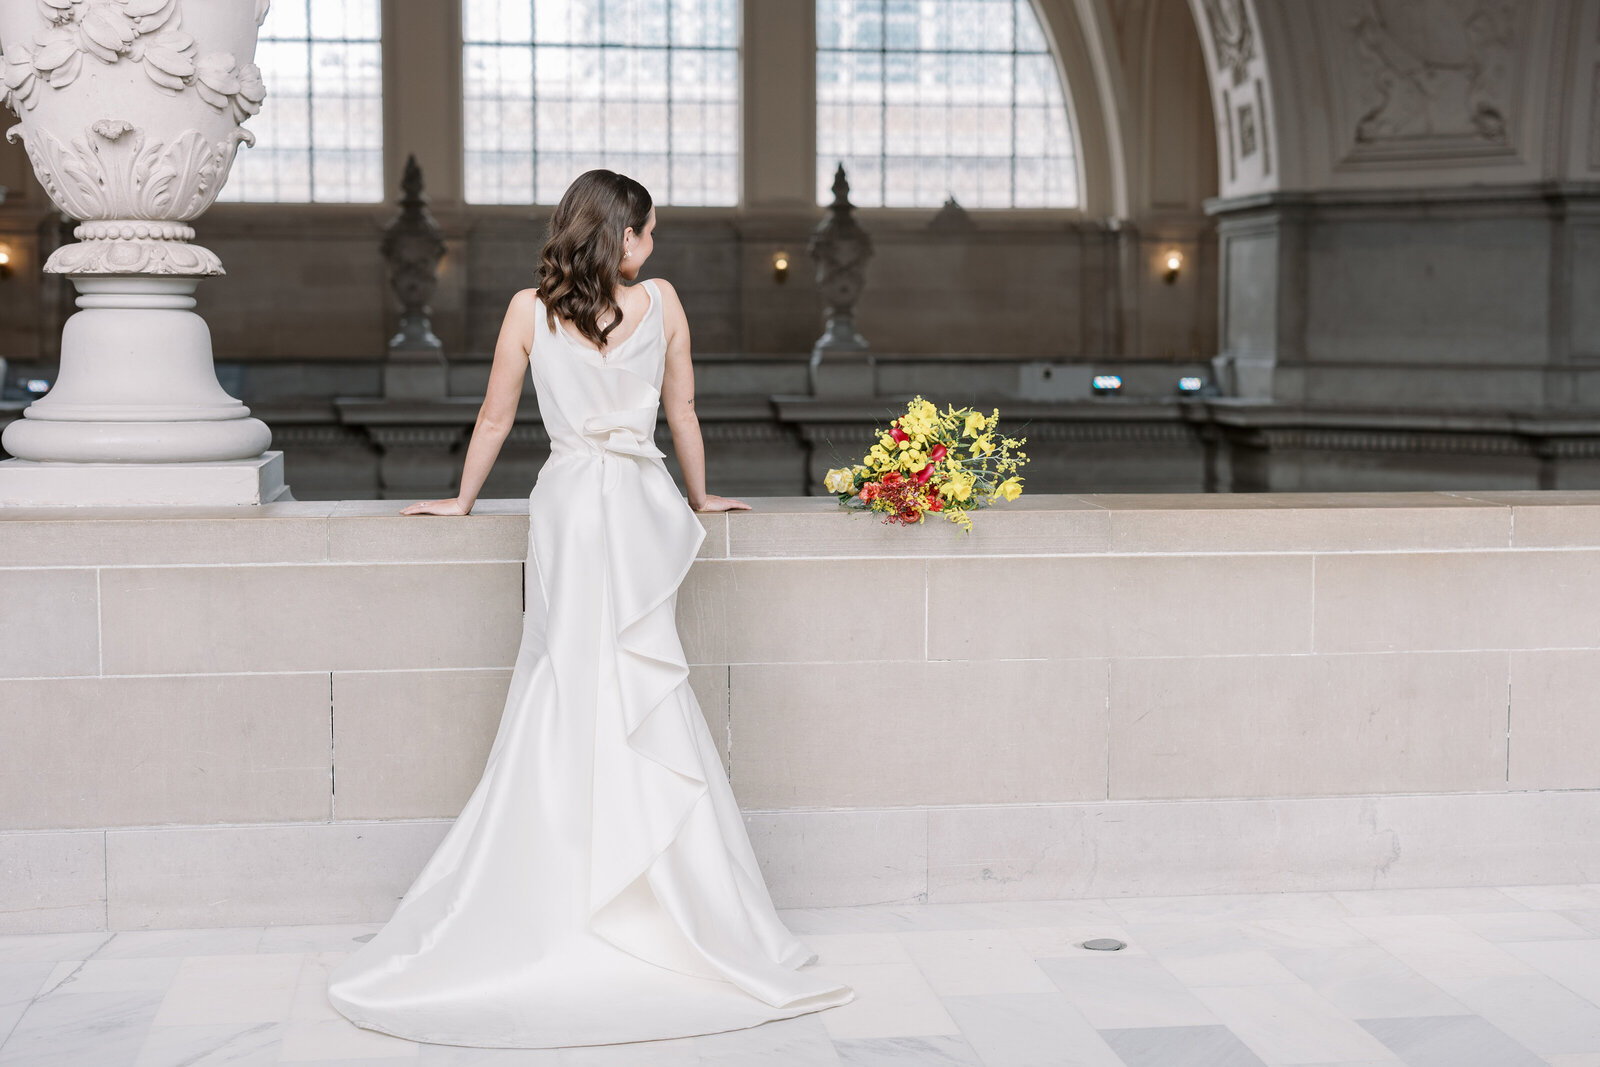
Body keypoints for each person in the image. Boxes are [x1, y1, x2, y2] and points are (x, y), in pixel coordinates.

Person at [325, 169, 854, 1047]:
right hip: (639, 503)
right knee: (637, 673)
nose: (654, 247)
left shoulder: (529, 310)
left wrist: (460, 503)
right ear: (623, 235)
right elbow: (681, 409)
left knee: (567, 679)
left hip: (570, 502)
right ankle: (661, 890)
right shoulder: (666, 302)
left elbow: (495, 419)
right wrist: (701, 494)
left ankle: (560, 883)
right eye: (647, 232)